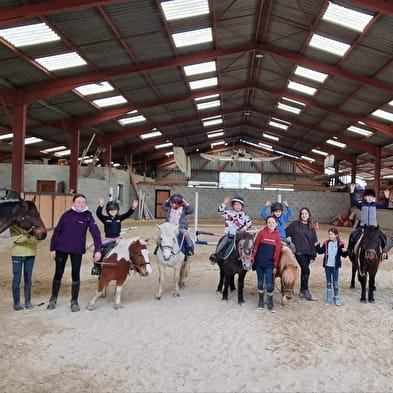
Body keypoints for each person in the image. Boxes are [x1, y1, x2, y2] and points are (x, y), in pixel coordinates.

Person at [47, 194, 102, 312]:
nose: (81, 204)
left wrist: (98, 250)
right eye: (78, 202)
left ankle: (74, 301)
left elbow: (96, 234)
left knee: (75, 274)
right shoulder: (66, 215)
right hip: (61, 248)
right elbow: (57, 232)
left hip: (77, 250)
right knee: (58, 273)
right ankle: (53, 298)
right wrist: (52, 248)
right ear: (73, 203)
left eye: (83, 202)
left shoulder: (88, 216)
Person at [91, 197, 139, 275]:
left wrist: (133, 207)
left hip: (118, 239)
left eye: (114, 210)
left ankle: (130, 265)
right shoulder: (105, 219)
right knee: (98, 249)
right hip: (108, 239)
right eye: (111, 210)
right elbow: (98, 214)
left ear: (117, 210)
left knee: (129, 248)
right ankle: (97, 267)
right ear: (107, 211)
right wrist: (100, 206)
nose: (113, 211)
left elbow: (127, 214)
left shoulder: (119, 218)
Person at [348, 183, 389, 259]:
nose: (369, 198)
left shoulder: (375, 205)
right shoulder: (361, 205)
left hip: (373, 227)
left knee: (383, 237)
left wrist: (387, 197)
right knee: (352, 235)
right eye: (368, 196)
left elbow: (385, 205)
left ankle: (384, 252)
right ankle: (350, 250)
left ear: (373, 197)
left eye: (371, 196)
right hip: (363, 227)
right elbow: (354, 201)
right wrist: (352, 191)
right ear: (365, 197)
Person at [285, 207, 318, 301]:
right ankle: (306, 290)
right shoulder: (295, 225)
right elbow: (284, 234)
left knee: (305, 271)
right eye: (302, 214)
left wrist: (313, 255)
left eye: (306, 214)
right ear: (300, 215)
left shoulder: (311, 227)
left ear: (308, 215)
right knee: (306, 270)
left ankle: (302, 292)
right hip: (299, 252)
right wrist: (289, 245)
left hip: (308, 252)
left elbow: (314, 241)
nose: (304, 215)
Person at [209, 195, 252, 263]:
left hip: (240, 236)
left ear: (242, 206)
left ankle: (249, 260)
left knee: (249, 245)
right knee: (222, 244)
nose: (238, 206)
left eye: (240, 205)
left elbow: (249, 224)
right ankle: (216, 256)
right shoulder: (228, 213)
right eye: (236, 204)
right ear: (233, 205)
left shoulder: (245, 215)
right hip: (230, 235)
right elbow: (220, 211)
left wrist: (244, 228)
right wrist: (224, 203)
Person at [252, 216, 281, 312]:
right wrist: (253, 258)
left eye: (273, 222)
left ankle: (270, 302)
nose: (271, 224)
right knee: (260, 283)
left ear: (276, 224)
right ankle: (260, 301)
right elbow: (255, 247)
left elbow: (277, 252)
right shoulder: (261, 233)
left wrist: (275, 265)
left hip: (270, 264)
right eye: (269, 222)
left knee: (269, 284)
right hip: (260, 263)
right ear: (266, 223)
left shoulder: (277, 236)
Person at [10, 224, 41, 311]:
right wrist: (29, 235)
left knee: (28, 279)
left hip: (31, 254)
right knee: (17, 279)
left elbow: (37, 240)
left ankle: (28, 302)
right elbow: (15, 239)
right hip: (17, 254)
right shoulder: (13, 225)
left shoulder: (34, 225)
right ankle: (16, 303)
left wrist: (25, 237)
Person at [315, 227, 348, 306]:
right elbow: (320, 251)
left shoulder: (340, 244)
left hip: (335, 267)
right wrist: (317, 246)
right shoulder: (326, 243)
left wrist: (346, 251)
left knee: (335, 283)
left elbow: (344, 255)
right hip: (327, 266)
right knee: (329, 283)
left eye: (331, 234)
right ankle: (329, 298)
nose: (330, 236)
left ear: (336, 235)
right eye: (329, 234)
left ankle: (336, 297)